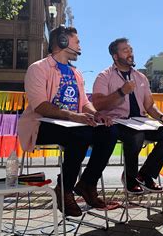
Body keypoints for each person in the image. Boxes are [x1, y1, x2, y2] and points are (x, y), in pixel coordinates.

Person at [17, 26, 117, 217]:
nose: (80, 46)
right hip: (42, 124)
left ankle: (87, 183)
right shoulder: (38, 68)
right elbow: (40, 106)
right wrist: (73, 116)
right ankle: (64, 189)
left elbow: (84, 103)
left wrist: (96, 114)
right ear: (63, 41)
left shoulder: (77, 73)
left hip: (73, 125)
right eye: (77, 42)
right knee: (80, 134)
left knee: (109, 131)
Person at [92, 38, 163, 194]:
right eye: (125, 50)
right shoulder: (104, 76)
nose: (130, 53)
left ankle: (145, 175)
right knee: (136, 136)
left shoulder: (141, 77)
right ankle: (130, 177)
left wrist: (161, 117)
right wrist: (121, 92)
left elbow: (149, 105)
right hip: (117, 122)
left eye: (131, 50)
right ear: (115, 56)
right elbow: (98, 104)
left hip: (140, 121)